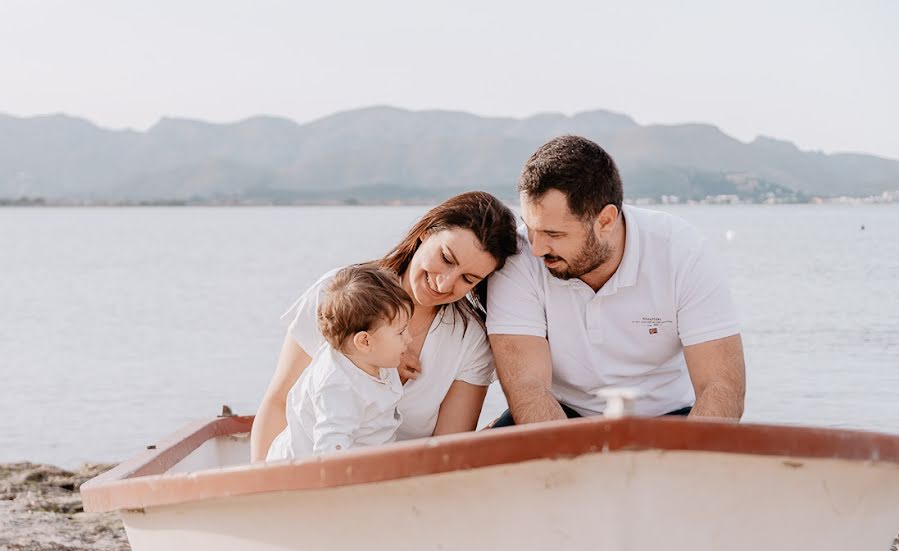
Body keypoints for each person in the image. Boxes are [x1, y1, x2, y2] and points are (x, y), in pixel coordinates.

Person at [487, 135, 745, 425]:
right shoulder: (520, 255)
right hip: (557, 414)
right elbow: (527, 386)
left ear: (606, 221)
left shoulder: (683, 252)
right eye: (532, 228)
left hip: (670, 417)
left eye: (554, 235)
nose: (537, 248)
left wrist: (679, 462)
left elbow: (721, 386)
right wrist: (573, 466)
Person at [251, 191, 519, 462]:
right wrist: (258, 491)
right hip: (302, 474)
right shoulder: (338, 294)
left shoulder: (470, 340)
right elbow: (279, 402)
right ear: (426, 232)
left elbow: (446, 451)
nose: (445, 283)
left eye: (468, 279)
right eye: (446, 259)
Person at [267, 265, 413, 459]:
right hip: (302, 475)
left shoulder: (370, 358)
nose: (409, 338)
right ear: (365, 341)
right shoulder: (338, 386)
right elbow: (330, 452)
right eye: (401, 332)